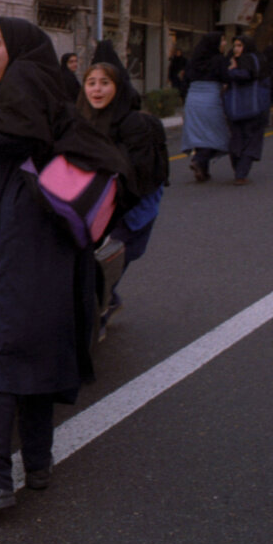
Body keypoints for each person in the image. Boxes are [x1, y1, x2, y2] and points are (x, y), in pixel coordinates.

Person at [0, 17, 128, 510]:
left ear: (16, 49)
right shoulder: (48, 86)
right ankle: (37, 463)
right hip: (55, 239)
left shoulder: (21, 80)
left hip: (27, 234)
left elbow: (14, 133)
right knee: (39, 348)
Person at [82, 42, 167, 335]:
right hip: (98, 209)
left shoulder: (138, 124)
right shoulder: (84, 121)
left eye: (105, 83)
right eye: (91, 82)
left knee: (109, 265)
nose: (97, 89)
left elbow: (144, 179)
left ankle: (101, 316)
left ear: (119, 85)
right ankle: (106, 303)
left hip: (132, 210)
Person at [180, 32, 230, 181]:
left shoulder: (192, 61)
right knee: (217, 134)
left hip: (193, 100)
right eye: (222, 41)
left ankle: (203, 170)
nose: (224, 44)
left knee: (200, 133)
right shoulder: (219, 60)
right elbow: (226, 78)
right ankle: (199, 160)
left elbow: (184, 82)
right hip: (211, 99)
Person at [223, 35, 267, 184]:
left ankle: (241, 172)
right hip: (238, 108)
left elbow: (248, 75)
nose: (236, 49)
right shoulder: (232, 59)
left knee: (249, 138)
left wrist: (231, 71)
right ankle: (240, 172)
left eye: (240, 45)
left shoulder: (251, 59)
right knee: (238, 139)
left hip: (249, 106)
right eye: (235, 45)